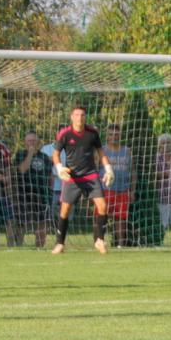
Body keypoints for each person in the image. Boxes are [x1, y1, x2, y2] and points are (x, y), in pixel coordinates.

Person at [52, 107, 114, 255]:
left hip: (90, 175)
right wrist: (60, 168)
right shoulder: (64, 134)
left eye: (82, 115)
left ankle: (99, 240)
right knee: (65, 210)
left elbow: (101, 153)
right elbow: (56, 154)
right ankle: (60, 243)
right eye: (77, 115)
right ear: (71, 117)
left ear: (85, 117)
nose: (79, 118)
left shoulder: (92, 133)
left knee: (102, 206)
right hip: (72, 177)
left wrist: (108, 169)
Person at [13, 131, 51, 248]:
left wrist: (49, 192)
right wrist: (30, 154)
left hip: (41, 194)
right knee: (21, 222)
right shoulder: (20, 154)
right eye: (29, 141)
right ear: (25, 142)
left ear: (38, 142)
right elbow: (22, 170)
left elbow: (50, 177)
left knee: (42, 221)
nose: (31, 143)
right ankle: (19, 245)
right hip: (24, 194)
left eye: (34, 141)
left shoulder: (44, 157)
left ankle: (39, 247)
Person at [101, 125, 134, 246]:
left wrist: (132, 191)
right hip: (106, 189)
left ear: (120, 136)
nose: (114, 137)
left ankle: (121, 245)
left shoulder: (127, 151)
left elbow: (133, 172)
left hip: (123, 189)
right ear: (107, 136)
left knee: (120, 219)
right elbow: (94, 169)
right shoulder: (102, 151)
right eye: (111, 134)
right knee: (102, 216)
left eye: (116, 134)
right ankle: (99, 241)